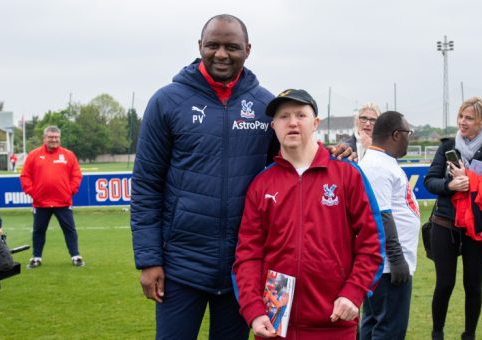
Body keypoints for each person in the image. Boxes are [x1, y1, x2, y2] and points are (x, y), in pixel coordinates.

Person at [130, 15, 353, 340]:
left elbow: (293, 162)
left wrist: (332, 153)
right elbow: (147, 185)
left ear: (247, 50)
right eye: (213, 45)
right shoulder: (167, 101)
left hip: (244, 269)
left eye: (231, 47)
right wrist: (149, 260)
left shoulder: (264, 104)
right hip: (181, 265)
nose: (221, 54)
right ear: (199, 47)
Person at [232, 89, 385, 340]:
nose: (292, 122)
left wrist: (354, 292)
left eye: (300, 115)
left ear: (315, 123)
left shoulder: (348, 175)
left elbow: (373, 241)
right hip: (274, 325)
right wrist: (253, 309)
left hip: (334, 321)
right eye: (283, 116)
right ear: (274, 125)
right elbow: (248, 254)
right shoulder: (262, 184)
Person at [423, 97, 482, 340]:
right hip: (444, 224)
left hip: (478, 227)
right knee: (445, 284)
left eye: (469, 118)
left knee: (473, 286)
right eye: (461, 116)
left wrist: (470, 181)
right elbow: (430, 181)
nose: (462, 122)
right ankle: (437, 333)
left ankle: (468, 335)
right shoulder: (447, 146)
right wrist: (450, 185)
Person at [359, 111, 420, 339]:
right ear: (396, 134)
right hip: (386, 267)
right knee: (388, 329)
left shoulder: (384, 162)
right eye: (408, 133)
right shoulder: (376, 166)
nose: (409, 139)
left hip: (388, 264)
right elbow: (381, 215)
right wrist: (396, 259)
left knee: (375, 324)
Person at [20, 126, 84, 269]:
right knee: (38, 231)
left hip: (63, 202)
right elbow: (25, 176)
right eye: (51, 137)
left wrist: (70, 191)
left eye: (56, 137)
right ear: (45, 138)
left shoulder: (68, 155)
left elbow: (76, 175)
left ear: (59, 138)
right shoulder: (34, 155)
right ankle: (36, 258)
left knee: (70, 230)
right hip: (41, 203)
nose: (54, 140)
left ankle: (76, 256)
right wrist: (33, 192)